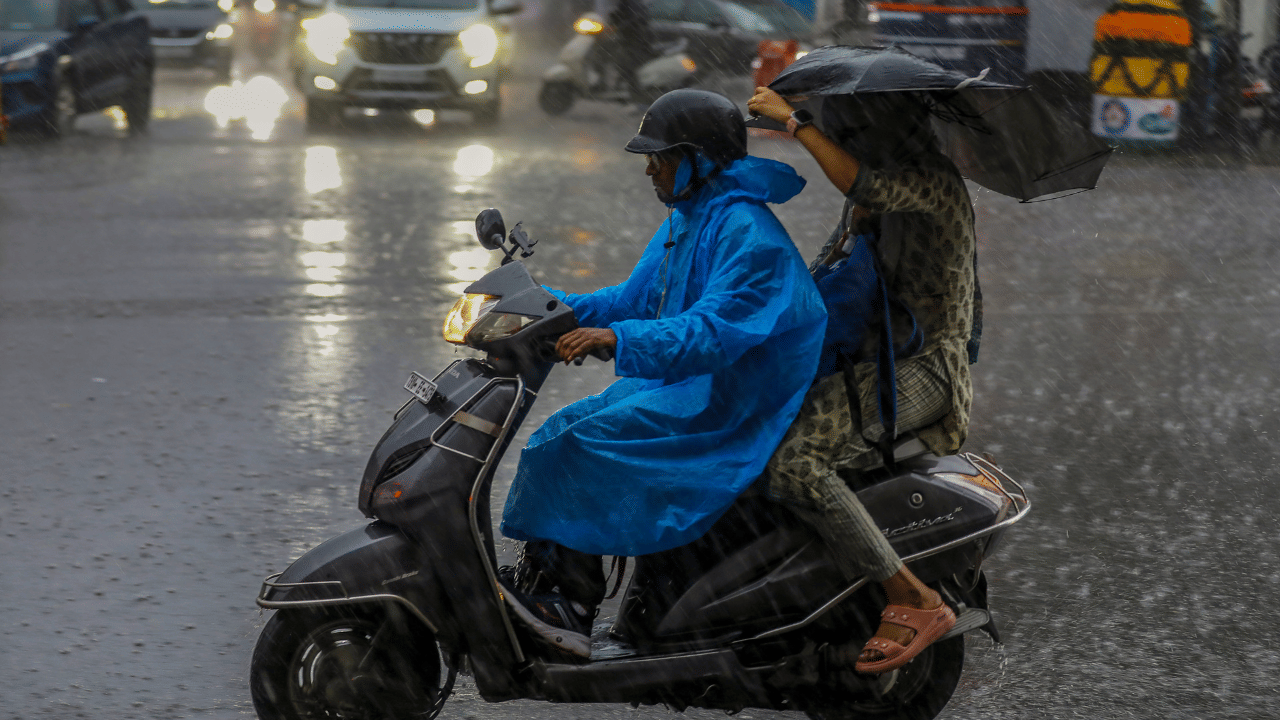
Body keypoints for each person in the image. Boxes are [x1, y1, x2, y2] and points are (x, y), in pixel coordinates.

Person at [498, 89, 828, 658]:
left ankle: (571, 604)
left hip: (734, 403)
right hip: (689, 386)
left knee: (583, 443)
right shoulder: (690, 217)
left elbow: (710, 333)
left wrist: (615, 339)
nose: (650, 167)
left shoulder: (750, 235)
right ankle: (549, 583)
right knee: (557, 431)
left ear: (699, 160)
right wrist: (542, 305)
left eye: (663, 156)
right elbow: (633, 299)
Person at [747, 85, 981, 674]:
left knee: (797, 463)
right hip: (875, 360)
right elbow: (826, 268)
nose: (849, 139)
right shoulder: (882, 192)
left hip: (926, 368)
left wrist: (795, 124)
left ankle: (911, 596)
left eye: (856, 128)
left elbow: (866, 185)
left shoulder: (930, 181)